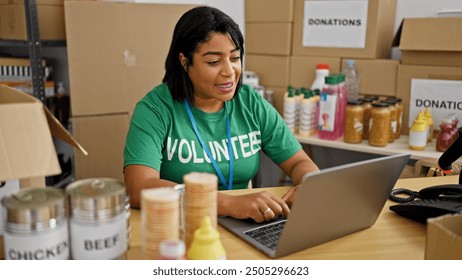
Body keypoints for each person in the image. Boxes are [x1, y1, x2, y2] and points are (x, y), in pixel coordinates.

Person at [123, 6, 319, 223]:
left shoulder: (249, 102)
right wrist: (228, 204)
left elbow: (298, 162)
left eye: (235, 58)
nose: (229, 71)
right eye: (214, 62)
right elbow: (139, 186)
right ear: (184, 61)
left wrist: (309, 185)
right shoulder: (155, 109)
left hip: (244, 224)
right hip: (182, 225)